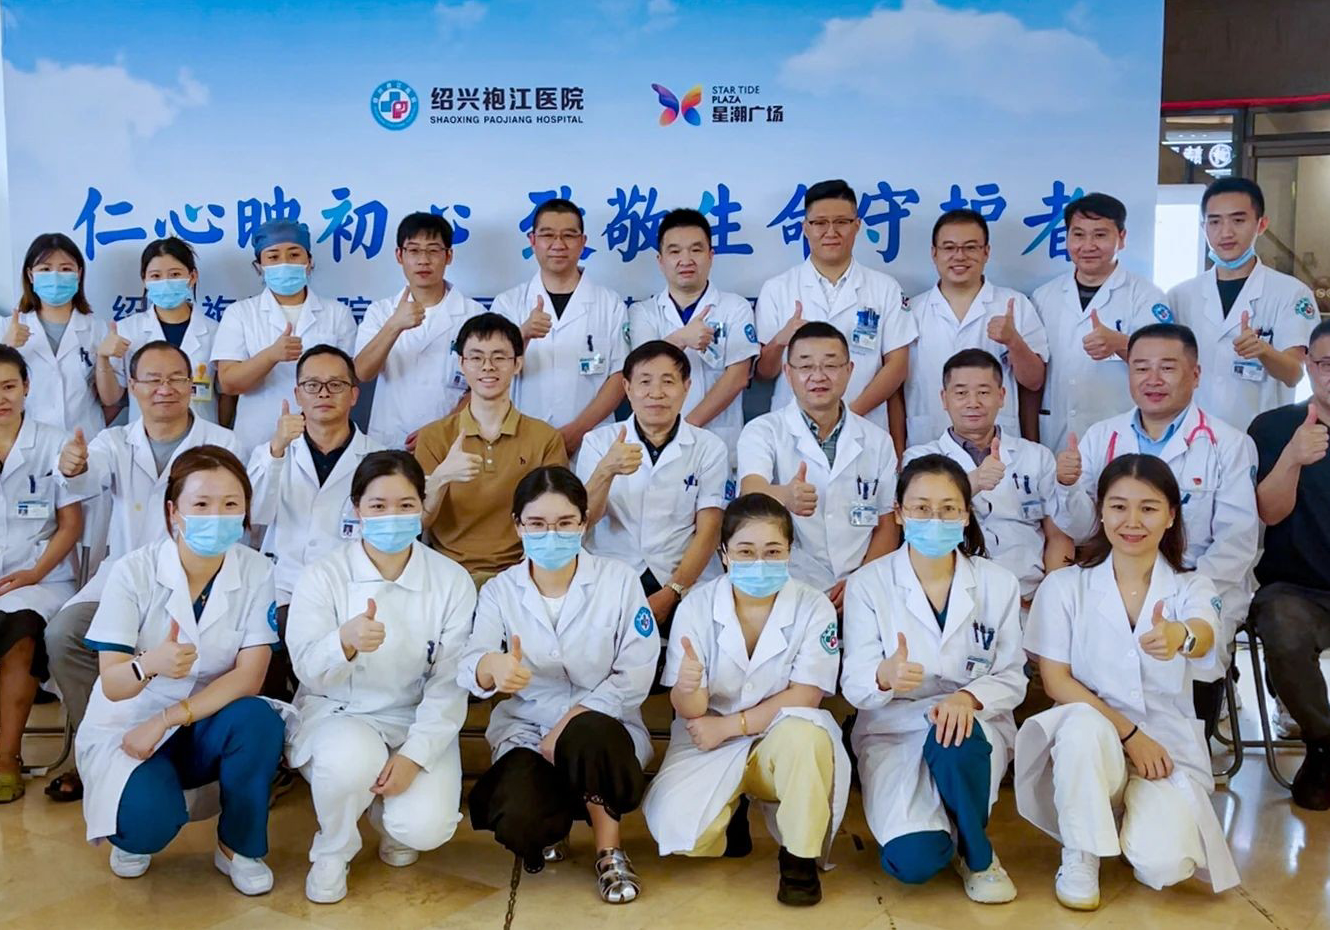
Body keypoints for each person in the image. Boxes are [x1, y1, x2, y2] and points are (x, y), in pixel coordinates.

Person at [1017, 454, 1240, 909]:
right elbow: (1056, 681)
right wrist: (1131, 736)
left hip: (1165, 749)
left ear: (1171, 515)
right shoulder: (1065, 587)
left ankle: (1123, 819)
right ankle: (1081, 852)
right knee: (1080, 725)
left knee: (1165, 865)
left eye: (1148, 508)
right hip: (1093, 742)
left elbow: (1202, 633)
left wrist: (1179, 636)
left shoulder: (1191, 586)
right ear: (1100, 511)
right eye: (1119, 507)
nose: (1132, 521)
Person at [75, 445, 285, 894]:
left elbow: (249, 676)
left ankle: (238, 847)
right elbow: (113, 684)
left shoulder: (256, 570)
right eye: (201, 504)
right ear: (173, 512)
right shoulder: (133, 572)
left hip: (206, 719)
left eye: (230, 504)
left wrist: (168, 718)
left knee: (258, 720)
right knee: (146, 822)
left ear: (245, 511)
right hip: (131, 725)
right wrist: (149, 663)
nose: (216, 516)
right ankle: (136, 828)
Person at [43, 341, 240, 803]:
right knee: (64, 635)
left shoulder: (222, 443)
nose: (164, 389)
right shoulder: (114, 442)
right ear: (132, 386)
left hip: (200, 577)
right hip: (125, 576)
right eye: (152, 379)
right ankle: (96, 748)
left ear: (192, 385)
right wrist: (70, 466)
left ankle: (183, 750)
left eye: (175, 378)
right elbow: (83, 476)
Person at [460, 466, 657, 904]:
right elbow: (471, 662)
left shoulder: (618, 580)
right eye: (537, 523)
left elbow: (636, 670)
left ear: (584, 522)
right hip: (527, 729)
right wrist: (492, 667)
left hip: (603, 730)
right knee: (517, 814)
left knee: (587, 734)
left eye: (565, 523)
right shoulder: (499, 591)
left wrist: (567, 725)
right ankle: (554, 823)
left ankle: (609, 850)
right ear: (517, 525)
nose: (552, 535)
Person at [286, 452, 476, 903]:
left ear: (423, 506)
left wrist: (414, 755)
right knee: (349, 760)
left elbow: (450, 681)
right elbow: (306, 666)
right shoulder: (324, 575)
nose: (392, 516)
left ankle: (387, 817)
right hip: (341, 711)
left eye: (406, 505)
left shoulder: (451, 580)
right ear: (356, 508)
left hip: (413, 716)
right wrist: (344, 642)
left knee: (424, 828)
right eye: (378, 505)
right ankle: (333, 850)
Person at [642, 493, 848, 906]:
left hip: (777, 736)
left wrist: (730, 726)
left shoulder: (814, 607)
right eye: (745, 551)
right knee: (679, 834)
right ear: (724, 554)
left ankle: (799, 860)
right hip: (706, 738)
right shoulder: (697, 606)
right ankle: (731, 810)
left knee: (807, 737)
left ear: (790, 551)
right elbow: (689, 710)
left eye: (772, 551)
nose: (759, 562)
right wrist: (687, 686)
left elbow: (806, 694)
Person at [1053, 323, 1258, 725]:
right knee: (1094, 664)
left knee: (1188, 662)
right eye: (1141, 368)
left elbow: (1236, 542)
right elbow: (1082, 529)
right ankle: (1111, 740)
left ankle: (1187, 737)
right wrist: (1067, 485)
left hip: (1199, 582)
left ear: (1195, 374)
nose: (1153, 379)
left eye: (1167, 367)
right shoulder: (1102, 437)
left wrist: (1181, 591)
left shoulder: (1229, 444)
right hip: (1114, 582)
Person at [842, 454, 1025, 903]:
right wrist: (884, 676)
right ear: (899, 513)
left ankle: (978, 855)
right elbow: (855, 683)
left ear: (965, 515)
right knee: (915, 861)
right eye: (921, 508)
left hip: (970, 727)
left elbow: (1012, 676)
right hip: (894, 726)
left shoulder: (998, 583)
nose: (935, 520)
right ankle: (945, 831)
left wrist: (968, 699)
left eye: (948, 509)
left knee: (956, 734)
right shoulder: (868, 584)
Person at [247, 344, 382, 700]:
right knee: (266, 652)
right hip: (284, 585)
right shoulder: (272, 451)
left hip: (349, 589)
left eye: (336, 385)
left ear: (354, 395)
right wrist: (277, 451)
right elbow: (255, 515)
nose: (323, 393)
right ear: (297, 394)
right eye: (312, 385)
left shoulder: (378, 456)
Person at [738, 322, 899, 610]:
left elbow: (887, 524)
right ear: (788, 373)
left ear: (849, 370)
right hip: (788, 585)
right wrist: (785, 496)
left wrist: (861, 584)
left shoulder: (878, 441)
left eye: (831, 365)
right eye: (805, 366)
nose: (818, 376)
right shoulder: (763, 431)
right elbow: (751, 490)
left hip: (862, 587)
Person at [575, 341, 727, 636]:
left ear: (686, 387)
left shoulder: (709, 447)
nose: (656, 393)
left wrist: (673, 591)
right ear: (627, 387)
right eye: (645, 382)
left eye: (668, 382)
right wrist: (606, 470)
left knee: (695, 643)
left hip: (682, 576)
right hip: (614, 571)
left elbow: (709, 531)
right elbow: (584, 522)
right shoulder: (597, 442)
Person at [904, 349, 1073, 607]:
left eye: (983, 392)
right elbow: (919, 529)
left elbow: (1059, 536)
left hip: (1029, 599)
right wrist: (972, 481)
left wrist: (1050, 600)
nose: (973, 402)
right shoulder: (919, 459)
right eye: (961, 393)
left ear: (1002, 396)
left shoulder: (1036, 456)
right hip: (951, 600)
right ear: (944, 399)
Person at [413, 312, 566, 588]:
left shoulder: (545, 438)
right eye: (476, 357)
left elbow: (555, 518)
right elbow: (419, 522)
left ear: (517, 363)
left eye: (499, 357)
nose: (487, 367)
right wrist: (441, 478)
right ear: (461, 363)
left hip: (521, 576)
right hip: (447, 575)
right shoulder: (434, 437)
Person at [755, 179, 914, 437]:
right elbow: (764, 372)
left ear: (857, 225)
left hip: (865, 428)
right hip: (792, 432)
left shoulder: (885, 288)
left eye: (841, 222)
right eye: (820, 223)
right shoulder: (777, 288)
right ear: (805, 228)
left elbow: (897, 366)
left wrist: (846, 418)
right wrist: (780, 341)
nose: (831, 232)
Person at [1246, 318, 1330, 809]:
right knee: (1282, 624)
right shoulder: (1274, 428)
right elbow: (1268, 513)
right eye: (1326, 364)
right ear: (1310, 367)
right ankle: (1322, 744)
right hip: (1296, 589)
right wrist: (1293, 458)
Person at [1167, 177, 1318, 430]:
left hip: (1259, 435)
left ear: (1261, 224)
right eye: (1215, 222)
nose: (1225, 232)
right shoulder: (1180, 295)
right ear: (1203, 227)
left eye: (1238, 220)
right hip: (1193, 434)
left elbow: (1294, 374)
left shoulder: (1291, 293)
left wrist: (1264, 351)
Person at [0, 346, 83, 802]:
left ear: (27, 387)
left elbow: (71, 524)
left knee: (22, 630)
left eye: (9, 386)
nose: (1, 398)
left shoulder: (54, 443)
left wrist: (34, 573)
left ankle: (6, 758)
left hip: (42, 579)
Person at [1031, 193, 1173, 453]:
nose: (1088, 245)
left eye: (1100, 235)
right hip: (1057, 433)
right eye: (1078, 235)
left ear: (1122, 238)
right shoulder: (1044, 297)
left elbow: (1165, 362)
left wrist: (1121, 343)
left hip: (1121, 431)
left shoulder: (1145, 296)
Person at [491, 198, 627, 456]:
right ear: (532, 240)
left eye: (569, 235)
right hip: (522, 441)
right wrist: (522, 334)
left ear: (583, 242)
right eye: (547, 235)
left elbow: (620, 376)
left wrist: (579, 430)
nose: (558, 244)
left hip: (592, 441)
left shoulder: (610, 303)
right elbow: (490, 371)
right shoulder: (508, 304)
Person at [211, 219, 357, 455]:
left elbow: (350, 382)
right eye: (273, 257)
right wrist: (271, 356)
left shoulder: (337, 313)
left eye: (294, 254)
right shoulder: (240, 313)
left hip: (324, 437)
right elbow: (229, 383)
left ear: (309, 261)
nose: (285, 263)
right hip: (258, 437)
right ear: (259, 266)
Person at [903, 209, 1047, 447]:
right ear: (934, 253)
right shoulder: (911, 311)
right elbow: (896, 386)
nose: (959, 256)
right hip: (927, 441)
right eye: (949, 248)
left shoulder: (1015, 304)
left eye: (970, 247)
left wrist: (1013, 342)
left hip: (997, 445)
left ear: (986, 252)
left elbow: (1034, 381)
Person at [627, 208, 757, 463]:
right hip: (655, 442)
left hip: (718, 439)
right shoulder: (643, 312)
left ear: (711, 255)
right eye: (675, 251)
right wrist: (681, 339)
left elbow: (738, 377)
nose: (685, 260)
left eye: (696, 250)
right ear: (660, 260)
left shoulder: (735, 307)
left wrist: (686, 428)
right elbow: (641, 368)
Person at [353, 212, 486, 449]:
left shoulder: (473, 314)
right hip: (389, 440)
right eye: (413, 250)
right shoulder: (380, 312)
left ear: (448, 256)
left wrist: (442, 429)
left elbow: (484, 384)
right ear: (399, 255)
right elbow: (362, 373)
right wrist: (394, 325)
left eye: (433, 250)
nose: (423, 260)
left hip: (450, 439)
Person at [1, 233, 115, 440]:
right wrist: (6, 348)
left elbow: (110, 400)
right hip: (25, 442)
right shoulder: (6, 329)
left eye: (65, 269)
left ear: (79, 274)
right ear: (30, 275)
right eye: (45, 269)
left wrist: (103, 358)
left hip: (85, 440)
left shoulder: (98, 330)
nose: (55, 277)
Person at [108, 237, 225, 425]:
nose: (166, 283)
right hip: (145, 434)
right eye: (156, 276)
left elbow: (226, 394)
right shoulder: (126, 330)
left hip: (202, 435)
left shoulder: (215, 331)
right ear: (144, 280)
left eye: (175, 274)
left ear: (192, 277)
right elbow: (112, 397)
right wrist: (103, 358)